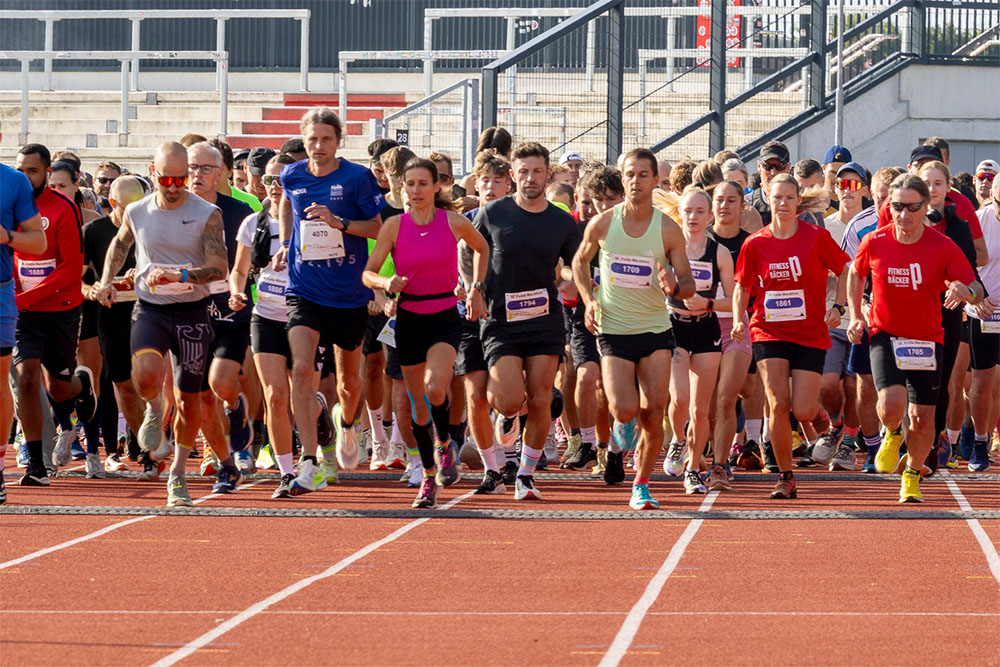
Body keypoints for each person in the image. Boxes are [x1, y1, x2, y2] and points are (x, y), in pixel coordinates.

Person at [94, 141, 228, 507]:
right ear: (153, 174)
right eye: (166, 178)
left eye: (180, 179)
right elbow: (119, 245)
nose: (173, 186)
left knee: (190, 400)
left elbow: (219, 269)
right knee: (146, 376)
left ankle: (178, 474)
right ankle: (155, 407)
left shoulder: (207, 213)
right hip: (151, 308)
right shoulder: (137, 211)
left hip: (192, 312)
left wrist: (179, 274)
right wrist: (107, 280)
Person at [847, 174, 986, 502]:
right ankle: (892, 434)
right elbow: (855, 273)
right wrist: (855, 313)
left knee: (923, 418)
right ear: (888, 207)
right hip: (886, 334)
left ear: (926, 208)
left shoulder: (943, 246)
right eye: (897, 206)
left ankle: (911, 475)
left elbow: (977, 287)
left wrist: (965, 292)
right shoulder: (875, 241)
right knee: (892, 403)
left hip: (927, 340)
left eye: (912, 207)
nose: (904, 214)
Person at [573, 148, 695, 509]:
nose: (636, 181)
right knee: (624, 409)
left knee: (653, 411)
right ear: (621, 178)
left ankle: (641, 483)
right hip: (613, 328)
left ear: (655, 180)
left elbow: (689, 284)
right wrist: (589, 300)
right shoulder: (603, 223)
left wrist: (675, 284)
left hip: (655, 329)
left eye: (643, 174)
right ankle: (620, 433)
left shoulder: (668, 229)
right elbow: (579, 264)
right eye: (630, 174)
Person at [363, 157, 488, 508]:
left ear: (437, 187)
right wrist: (385, 283)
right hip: (408, 316)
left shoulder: (453, 221)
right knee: (417, 407)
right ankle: (429, 479)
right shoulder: (394, 227)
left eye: (423, 184)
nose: (416, 191)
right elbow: (368, 273)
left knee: (436, 388)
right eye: (410, 184)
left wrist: (476, 286)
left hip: (445, 314)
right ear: (402, 188)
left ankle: (446, 439)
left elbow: (482, 247)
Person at [272, 107, 384, 494]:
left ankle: (347, 423)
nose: (318, 146)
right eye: (312, 139)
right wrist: (287, 244)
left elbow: (378, 226)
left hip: (349, 293)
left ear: (338, 141)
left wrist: (340, 223)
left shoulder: (357, 178)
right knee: (302, 370)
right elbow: (287, 203)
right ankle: (308, 459)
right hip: (304, 288)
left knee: (350, 384)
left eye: (326, 139)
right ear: (304, 141)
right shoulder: (292, 174)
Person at [473, 141, 581, 500]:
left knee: (539, 398)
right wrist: (472, 288)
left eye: (537, 171)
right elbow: (467, 249)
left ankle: (525, 474)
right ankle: (506, 417)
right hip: (500, 318)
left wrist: (569, 278)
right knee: (507, 399)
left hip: (544, 317)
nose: (530, 178)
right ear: (512, 175)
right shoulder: (492, 213)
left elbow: (571, 264)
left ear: (547, 174)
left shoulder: (562, 221)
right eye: (523, 172)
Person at [732, 173, 850, 499]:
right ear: (767, 200)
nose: (782, 204)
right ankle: (786, 476)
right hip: (768, 330)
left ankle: (827, 421)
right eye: (776, 198)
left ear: (798, 201)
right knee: (778, 403)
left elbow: (845, 269)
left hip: (809, 332)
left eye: (788, 198)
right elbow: (742, 285)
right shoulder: (755, 242)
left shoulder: (815, 237)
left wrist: (838, 305)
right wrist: (741, 318)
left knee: (802, 410)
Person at [12, 143, 98, 487]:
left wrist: (25, 296)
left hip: (61, 309)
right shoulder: (9, 207)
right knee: (26, 378)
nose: (25, 177)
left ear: (47, 173)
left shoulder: (62, 207)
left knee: (59, 389)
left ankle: (82, 384)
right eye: (20, 170)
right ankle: (36, 461)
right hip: (24, 312)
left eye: (32, 171)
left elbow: (70, 271)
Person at [185, 141, 256, 489]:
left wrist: (241, 285)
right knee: (200, 396)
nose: (196, 175)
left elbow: (251, 259)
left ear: (222, 173)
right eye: (191, 168)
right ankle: (224, 461)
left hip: (230, 307)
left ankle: (236, 405)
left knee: (220, 382)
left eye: (204, 168)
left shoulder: (240, 212)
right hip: (188, 309)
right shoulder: (171, 209)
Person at [663, 187, 734, 494]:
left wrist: (707, 303)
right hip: (674, 328)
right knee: (678, 399)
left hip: (706, 328)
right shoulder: (666, 249)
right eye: (688, 211)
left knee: (700, 410)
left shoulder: (718, 252)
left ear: (709, 215)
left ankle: (693, 469)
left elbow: (733, 300)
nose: (693, 217)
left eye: (699, 211)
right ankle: (678, 440)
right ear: (680, 213)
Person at [457, 150, 515, 493]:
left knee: (506, 396)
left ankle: (510, 421)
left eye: (497, 180)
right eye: (484, 181)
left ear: (508, 184)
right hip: (472, 314)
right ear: (475, 185)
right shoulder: (466, 220)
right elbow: (461, 264)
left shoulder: (518, 219)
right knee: (475, 393)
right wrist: (469, 290)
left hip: (511, 316)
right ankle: (493, 469)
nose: (490, 186)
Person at [840, 166, 905, 472]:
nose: (884, 206)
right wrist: (856, 312)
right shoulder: (859, 227)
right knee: (865, 384)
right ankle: (871, 447)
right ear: (871, 194)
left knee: (903, 386)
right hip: (870, 317)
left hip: (907, 319)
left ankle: (902, 441)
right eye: (879, 197)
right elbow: (849, 274)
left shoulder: (915, 225)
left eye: (889, 198)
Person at [83, 176, 147, 475]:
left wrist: (145, 274)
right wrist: (95, 289)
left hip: (147, 313)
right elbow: (78, 279)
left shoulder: (148, 226)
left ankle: (148, 445)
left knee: (147, 383)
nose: (136, 214)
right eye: (128, 208)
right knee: (118, 383)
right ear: (112, 203)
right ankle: (136, 450)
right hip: (108, 316)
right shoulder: (94, 232)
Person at [809, 162, 870, 469]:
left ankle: (848, 441)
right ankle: (835, 425)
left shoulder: (874, 225)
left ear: (866, 190)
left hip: (863, 318)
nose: (847, 191)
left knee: (853, 385)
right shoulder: (826, 227)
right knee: (826, 384)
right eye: (842, 185)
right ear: (835, 189)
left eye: (854, 185)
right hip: (831, 316)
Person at [0, 132, 47, 504]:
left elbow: (38, 243)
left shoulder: (13, 182)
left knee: (0, 379)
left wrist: (6, 236)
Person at [707, 180, 755, 478]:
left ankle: (721, 453)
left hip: (739, 325)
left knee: (739, 392)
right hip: (702, 326)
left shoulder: (752, 243)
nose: (724, 206)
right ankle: (718, 463)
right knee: (713, 400)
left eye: (731, 201)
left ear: (742, 206)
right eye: (719, 200)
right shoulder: (700, 240)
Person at [967, 174, 1000, 471]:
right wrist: (980, 297)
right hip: (984, 312)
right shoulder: (979, 221)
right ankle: (979, 440)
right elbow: (963, 265)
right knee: (982, 382)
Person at [208, 138, 263, 213]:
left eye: (217, 167)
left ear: (230, 171)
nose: (211, 173)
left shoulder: (251, 203)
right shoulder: (190, 202)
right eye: (206, 168)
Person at [748, 141, 791, 225]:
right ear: (759, 167)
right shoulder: (747, 204)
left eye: (780, 166)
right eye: (768, 166)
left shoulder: (800, 206)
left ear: (788, 168)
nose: (773, 172)